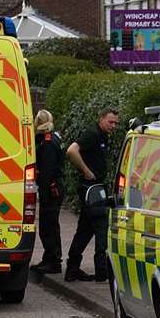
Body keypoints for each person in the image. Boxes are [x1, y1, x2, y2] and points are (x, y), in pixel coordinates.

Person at [64, 106, 119, 282]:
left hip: (93, 188)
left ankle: (72, 269)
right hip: (92, 189)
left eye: (116, 123)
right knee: (101, 227)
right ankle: (101, 272)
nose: (113, 126)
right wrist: (86, 171)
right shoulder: (93, 135)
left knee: (85, 230)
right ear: (101, 119)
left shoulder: (102, 136)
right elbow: (72, 151)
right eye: (110, 122)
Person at [31, 110, 63, 275]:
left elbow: (47, 171)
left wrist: (42, 192)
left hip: (51, 190)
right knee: (48, 226)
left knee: (48, 227)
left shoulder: (48, 143)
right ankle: (48, 258)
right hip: (53, 189)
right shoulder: (51, 139)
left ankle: (54, 261)